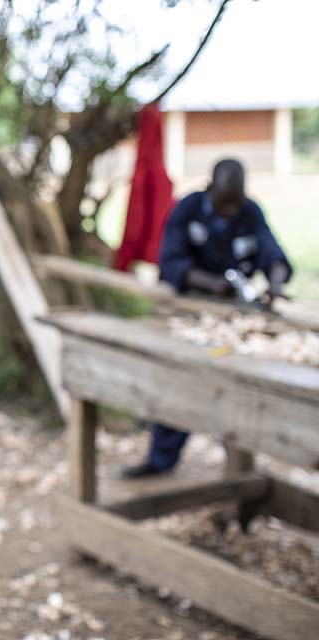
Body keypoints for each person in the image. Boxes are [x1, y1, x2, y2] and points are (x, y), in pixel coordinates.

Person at [121, 158, 292, 478]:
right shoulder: (187, 209)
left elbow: (272, 251)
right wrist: (211, 284)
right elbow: (170, 262)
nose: (230, 210)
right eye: (224, 203)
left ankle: (237, 471)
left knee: (238, 390)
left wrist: (276, 284)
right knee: (178, 383)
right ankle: (161, 460)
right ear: (211, 189)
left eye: (235, 203)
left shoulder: (250, 211)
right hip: (189, 314)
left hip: (236, 321)